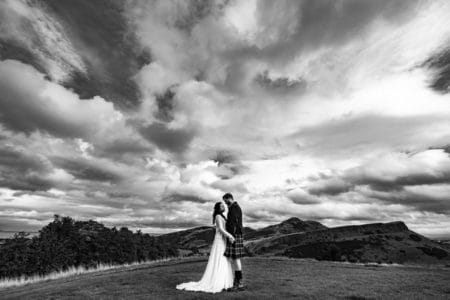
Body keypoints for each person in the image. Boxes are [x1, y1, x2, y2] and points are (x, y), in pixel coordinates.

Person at [176, 202, 235, 293]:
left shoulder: (222, 216)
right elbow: (221, 229)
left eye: (224, 205)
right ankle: (218, 282)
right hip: (219, 240)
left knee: (224, 259)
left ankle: (224, 281)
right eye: (222, 206)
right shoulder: (218, 216)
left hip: (223, 240)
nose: (224, 207)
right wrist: (230, 236)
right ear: (218, 208)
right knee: (219, 259)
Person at [222, 192, 245, 290]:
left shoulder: (234, 208)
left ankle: (239, 283)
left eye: (226, 201)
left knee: (236, 259)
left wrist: (231, 236)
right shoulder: (234, 207)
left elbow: (233, 224)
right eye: (224, 202)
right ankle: (238, 282)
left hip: (234, 235)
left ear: (230, 198)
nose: (226, 203)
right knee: (236, 259)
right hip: (235, 235)